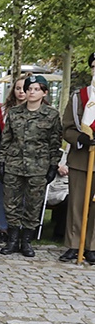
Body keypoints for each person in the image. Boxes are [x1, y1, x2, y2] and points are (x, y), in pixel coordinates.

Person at [0, 75, 62, 257]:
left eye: (36, 89)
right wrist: (1, 161)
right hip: (14, 164)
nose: (32, 92)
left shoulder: (51, 115)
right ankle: (12, 239)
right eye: (29, 89)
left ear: (44, 92)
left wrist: (53, 166)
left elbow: (54, 143)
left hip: (38, 167)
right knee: (11, 204)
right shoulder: (14, 113)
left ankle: (26, 241)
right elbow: (6, 140)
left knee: (33, 205)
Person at [60, 53, 95, 263]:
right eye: (94, 66)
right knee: (76, 204)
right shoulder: (79, 96)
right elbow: (67, 128)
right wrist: (80, 137)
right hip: (81, 158)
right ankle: (74, 244)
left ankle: (92, 246)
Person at [0, 77, 28, 241]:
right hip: (6, 158)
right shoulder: (3, 111)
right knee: (4, 195)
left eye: (24, 88)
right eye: (18, 88)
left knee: (25, 196)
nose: (21, 92)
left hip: (29, 161)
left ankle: (21, 230)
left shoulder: (43, 111)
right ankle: (4, 229)